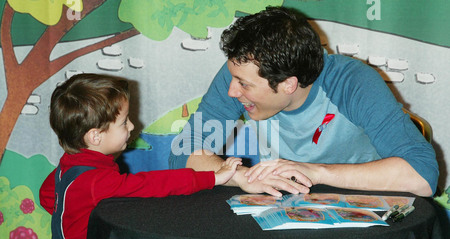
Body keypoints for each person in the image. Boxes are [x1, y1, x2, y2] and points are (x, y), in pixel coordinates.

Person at [168, 6, 438, 197]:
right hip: (282, 212)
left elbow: (423, 176)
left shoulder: (352, 82)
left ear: (289, 84)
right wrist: (240, 176)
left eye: (244, 85)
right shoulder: (240, 71)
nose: (231, 91)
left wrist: (316, 172)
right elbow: (181, 153)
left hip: (361, 221)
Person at [39, 73, 242, 239]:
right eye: (124, 122)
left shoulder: (69, 164)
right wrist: (212, 178)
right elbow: (151, 185)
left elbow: (46, 196)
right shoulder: (96, 182)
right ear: (95, 136)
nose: (132, 127)